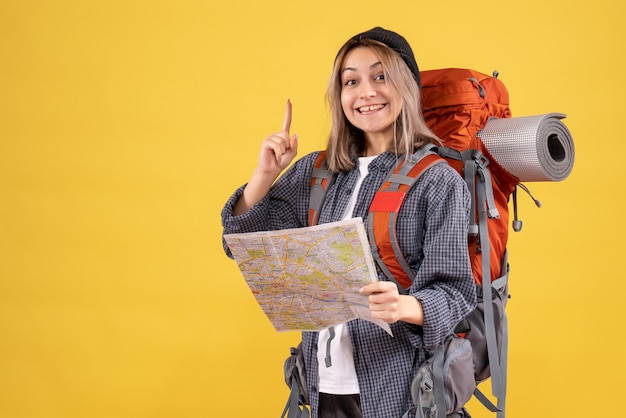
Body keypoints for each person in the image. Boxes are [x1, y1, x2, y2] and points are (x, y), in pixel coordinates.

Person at [221, 27, 476, 418]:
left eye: (380, 76)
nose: (366, 93)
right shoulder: (317, 171)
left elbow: (456, 293)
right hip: (322, 388)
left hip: (399, 388)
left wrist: (404, 305)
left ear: (406, 86)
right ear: (339, 96)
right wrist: (263, 176)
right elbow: (242, 246)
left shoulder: (438, 181)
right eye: (351, 81)